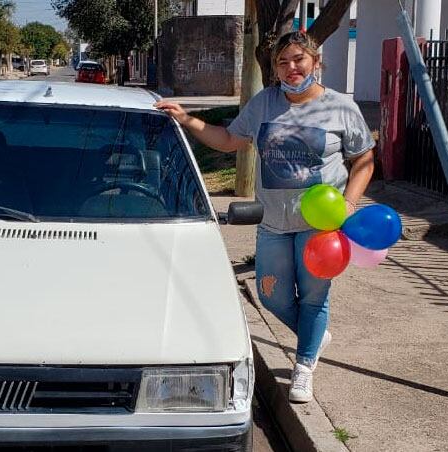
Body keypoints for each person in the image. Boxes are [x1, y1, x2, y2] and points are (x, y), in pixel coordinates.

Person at [155, 31, 375, 403]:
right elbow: (228, 140)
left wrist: (349, 205)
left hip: (320, 228)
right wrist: (188, 120)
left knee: (313, 299)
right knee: (271, 297)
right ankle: (315, 336)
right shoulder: (264, 104)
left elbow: (364, 162)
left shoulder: (340, 108)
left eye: (299, 60)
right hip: (273, 222)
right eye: (283, 61)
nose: (292, 68)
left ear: (316, 63)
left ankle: (304, 367)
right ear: (274, 67)